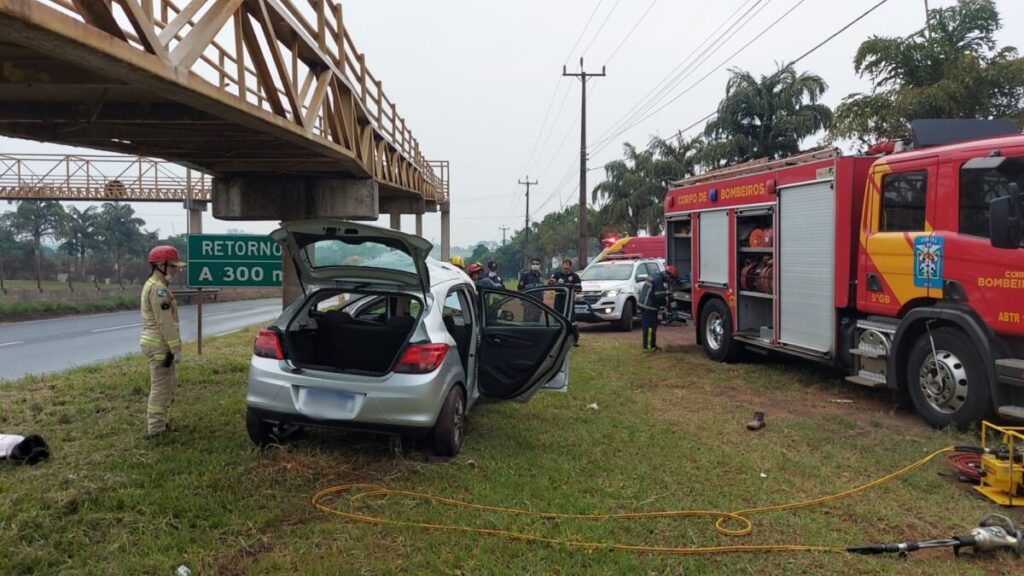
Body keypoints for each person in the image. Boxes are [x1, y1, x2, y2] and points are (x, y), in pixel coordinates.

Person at [140, 245, 186, 438]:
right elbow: (165, 322)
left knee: (167, 385)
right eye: (173, 266)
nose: (176, 270)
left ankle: (162, 423)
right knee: (160, 388)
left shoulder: (155, 285)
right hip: (159, 344)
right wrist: (176, 348)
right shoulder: (158, 290)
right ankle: (156, 429)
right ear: (160, 265)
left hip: (157, 343)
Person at [638, 265, 679, 352]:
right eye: (671, 279)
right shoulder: (658, 280)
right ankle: (649, 347)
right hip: (648, 307)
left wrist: (666, 293)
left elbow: (657, 292)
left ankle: (651, 345)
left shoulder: (656, 276)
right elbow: (659, 297)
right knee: (650, 328)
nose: (670, 281)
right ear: (668, 275)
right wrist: (667, 304)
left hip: (646, 305)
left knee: (651, 327)